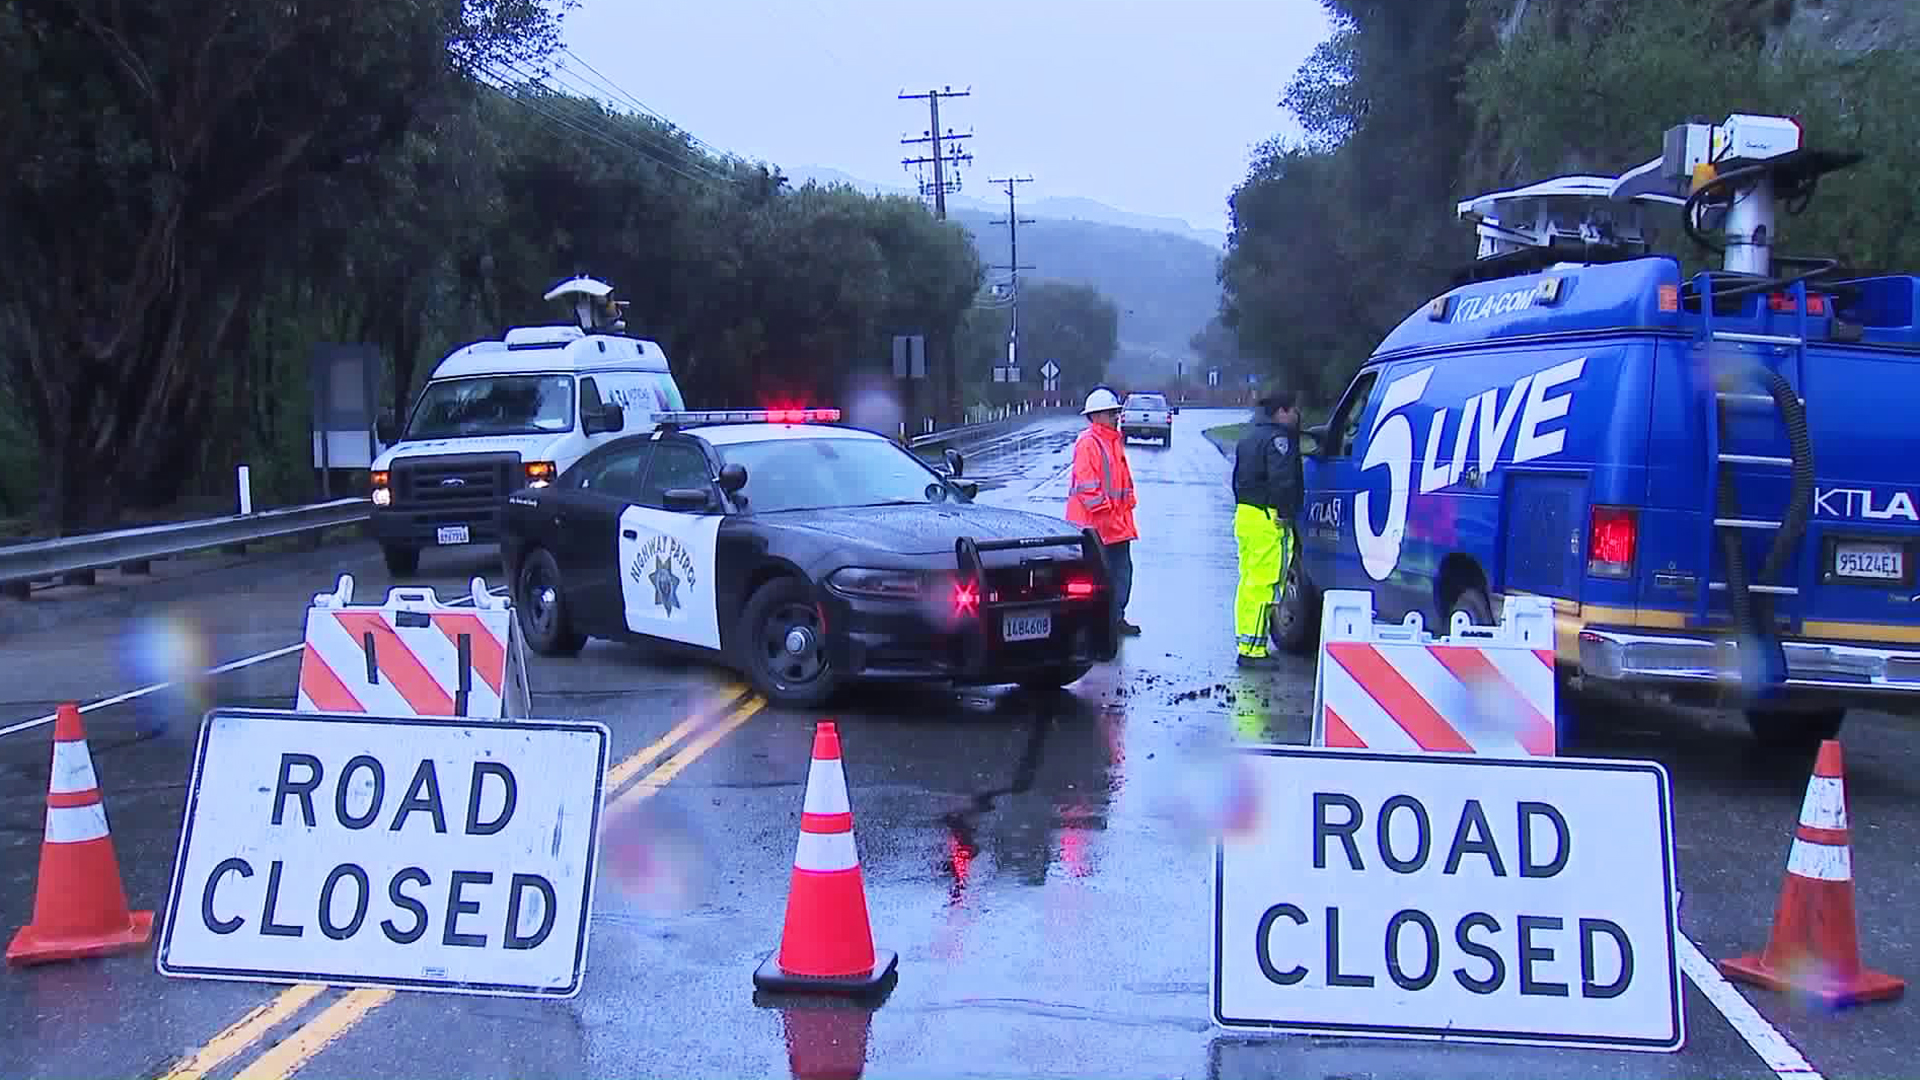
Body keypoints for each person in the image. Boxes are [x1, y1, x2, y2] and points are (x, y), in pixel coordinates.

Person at [1229, 389, 1303, 666]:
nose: (1296, 415)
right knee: (1267, 583)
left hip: (1246, 515)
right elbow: (1282, 481)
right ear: (1282, 411)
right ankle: (1254, 650)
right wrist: (1285, 512)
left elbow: (1238, 478)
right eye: (1293, 410)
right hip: (1268, 519)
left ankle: (1247, 642)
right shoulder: (1278, 440)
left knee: (1249, 582)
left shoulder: (1249, 438)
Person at [1064, 386, 1140, 635]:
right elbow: (1088, 488)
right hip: (1095, 527)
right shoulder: (1089, 443)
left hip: (1116, 527)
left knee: (1121, 575)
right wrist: (1108, 515)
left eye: (1115, 412)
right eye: (1110, 413)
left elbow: (1123, 484)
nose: (1115, 417)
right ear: (1095, 416)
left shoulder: (1113, 442)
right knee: (1096, 579)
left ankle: (1114, 618)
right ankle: (1096, 622)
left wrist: (1124, 511)